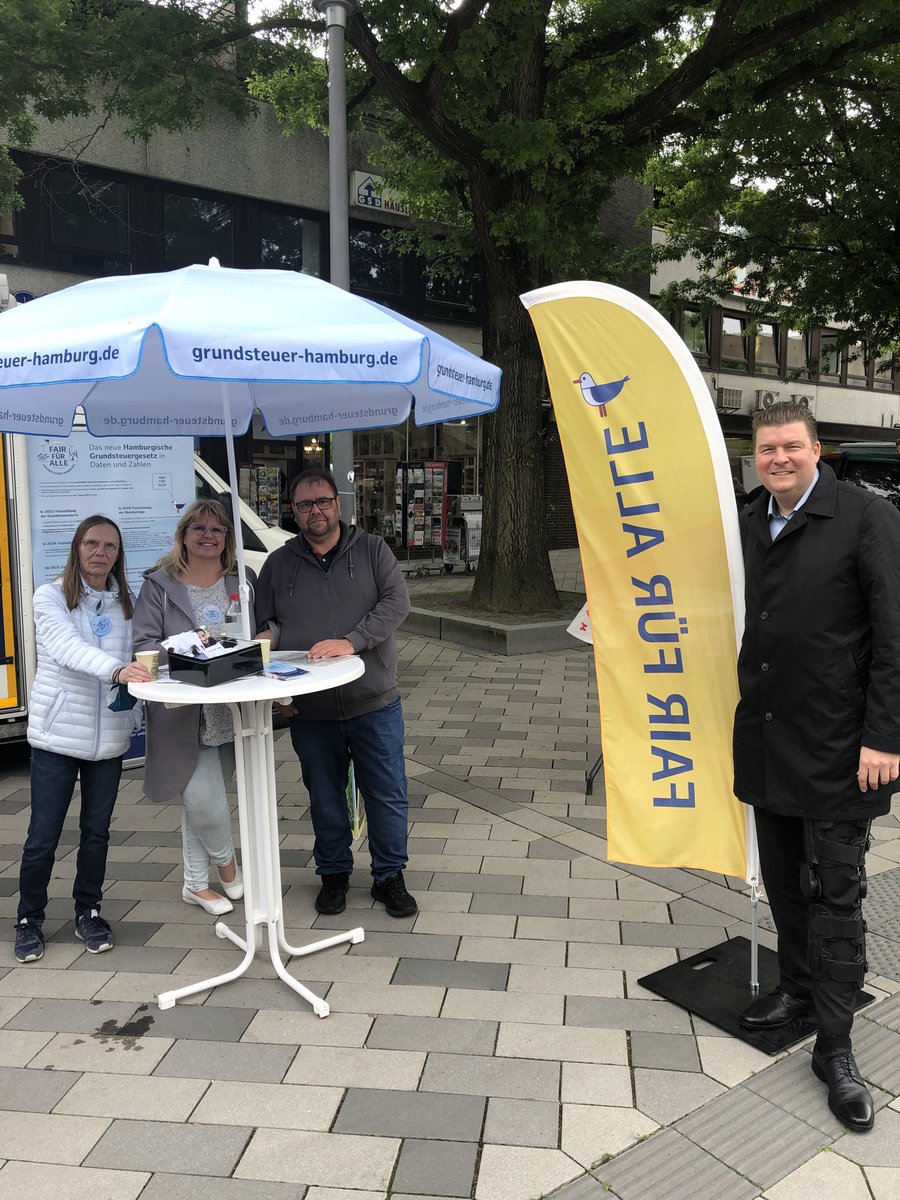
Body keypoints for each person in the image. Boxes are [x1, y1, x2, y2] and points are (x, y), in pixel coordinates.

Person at [734, 401, 900, 1132]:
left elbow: (895, 633)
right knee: (784, 884)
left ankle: (835, 1048)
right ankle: (797, 989)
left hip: (843, 749)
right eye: (768, 448)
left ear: (817, 449)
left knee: (837, 900)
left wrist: (886, 737)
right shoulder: (751, 518)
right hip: (769, 738)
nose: (779, 459)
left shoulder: (865, 518)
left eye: (791, 447)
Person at [254, 467, 416, 919]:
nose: (316, 511)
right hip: (312, 709)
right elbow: (265, 627)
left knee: (386, 793)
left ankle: (389, 876)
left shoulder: (372, 549)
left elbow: (396, 603)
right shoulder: (278, 564)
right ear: (294, 511)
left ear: (338, 504)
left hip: (373, 701)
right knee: (324, 797)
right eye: (305, 505)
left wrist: (352, 640)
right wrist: (278, 690)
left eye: (323, 501)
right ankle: (333, 873)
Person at [15, 515, 151, 962]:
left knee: (96, 833)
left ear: (118, 555)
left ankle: (88, 911)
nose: (100, 552)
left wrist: (133, 715)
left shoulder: (128, 603)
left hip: (108, 739)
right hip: (57, 736)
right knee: (43, 835)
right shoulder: (50, 596)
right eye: (92, 543)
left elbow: (143, 658)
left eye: (110, 546)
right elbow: (66, 649)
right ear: (77, 547)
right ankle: (28, 918)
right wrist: (117, 670)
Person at [133, 500, 252, 915]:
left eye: (217, 529)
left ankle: (195, 885)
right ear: (183, 534)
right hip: (183, 709)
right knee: (203, 800)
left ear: (227, 538)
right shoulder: (159, 585)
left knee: (204, 799)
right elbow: (144, 643)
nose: (208, 536)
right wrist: (188, 653)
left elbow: (263, 628)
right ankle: (228, 866)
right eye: (198, 528)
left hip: (231, 709)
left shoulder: (242, 580)